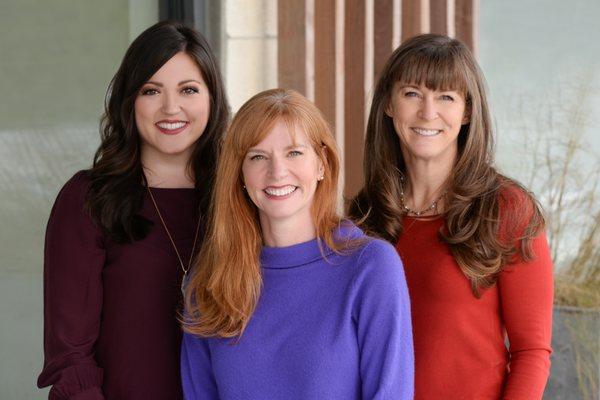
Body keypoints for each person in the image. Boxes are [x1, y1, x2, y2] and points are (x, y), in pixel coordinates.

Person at [348, 33, 554, 399]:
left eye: (446, 97)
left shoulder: (506, 209)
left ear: (467, 111)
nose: (428, 113)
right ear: (389, 105)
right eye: (412, 93)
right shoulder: (366, 215)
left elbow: (531, 353)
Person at [37, 21, 229, 399]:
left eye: (188, 89)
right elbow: (70, 356)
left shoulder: (239, 197)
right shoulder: (89, 199)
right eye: (151, 90)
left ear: (212, 99)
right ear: (129, 101)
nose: (170, 107)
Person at [181, 89, 414, 400]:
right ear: (239, 174)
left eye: (294, 153)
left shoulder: (370, 268)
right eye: (258, 156)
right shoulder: (210, 279)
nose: (277, 172)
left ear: (322, 164)